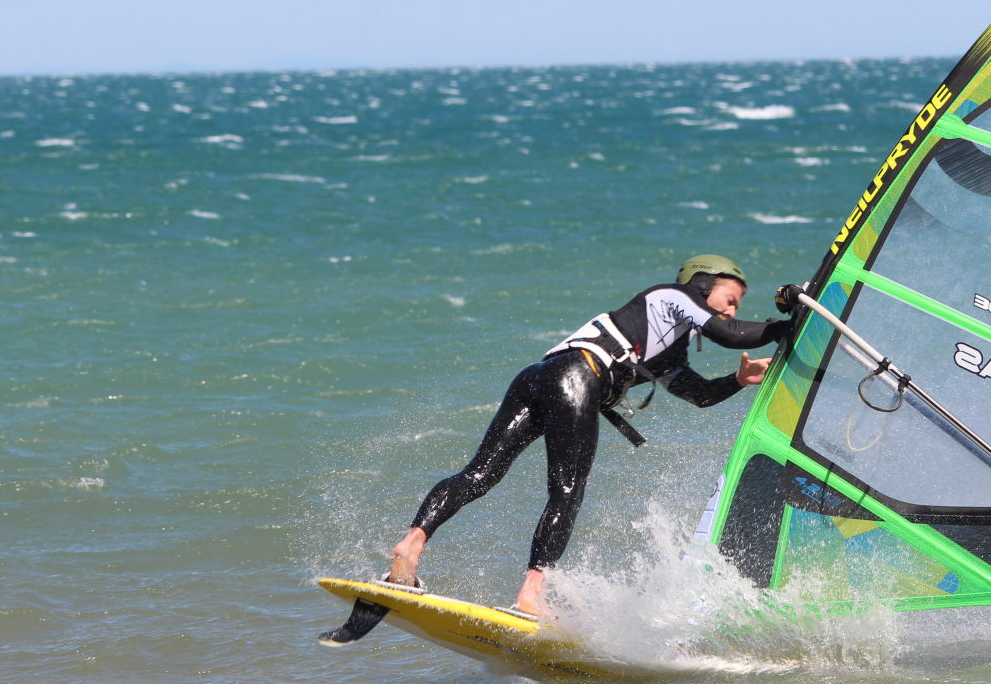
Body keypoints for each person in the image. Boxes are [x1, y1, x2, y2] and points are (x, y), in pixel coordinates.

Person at [320, 255, 788, 644]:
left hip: (538, 376)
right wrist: (786, 326)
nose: (731, 310)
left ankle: (410, 546)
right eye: (730, 299)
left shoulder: (666, 345)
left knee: (480, 474)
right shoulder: (671, 297)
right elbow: (732, 334)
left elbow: (696, 394)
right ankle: (531, 595)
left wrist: (738, 379)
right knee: (566, 491)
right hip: (578, 377)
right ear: (703, 285)